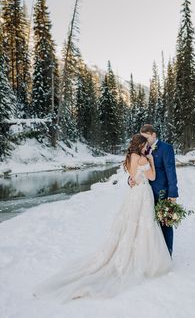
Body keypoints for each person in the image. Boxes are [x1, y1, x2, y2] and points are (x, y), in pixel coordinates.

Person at [33, 134, 172, 303]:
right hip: (142, 193)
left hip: (133, 195)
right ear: (140, 145)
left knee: (131, 224)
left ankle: (132, 249)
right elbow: (152, 177)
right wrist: (150, 160)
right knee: (143, 224)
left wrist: (134, 176)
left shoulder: (129, 157)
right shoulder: (142, 158)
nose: (146, 147)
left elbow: (132, 177)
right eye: (144, 145)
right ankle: (142, 257)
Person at [129, 124, 179, 258]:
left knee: (164, 223)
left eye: (145, 137)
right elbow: (136, 168)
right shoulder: (142, 149)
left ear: (153, 135)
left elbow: (171, 172)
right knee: (147, 225)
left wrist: (173, 193)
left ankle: (167, 254)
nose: (143, 140)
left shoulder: (166, 148)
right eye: (141, 137)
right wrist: (130, 180)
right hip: (143, 194)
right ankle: (151, 254)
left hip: (161, 191)